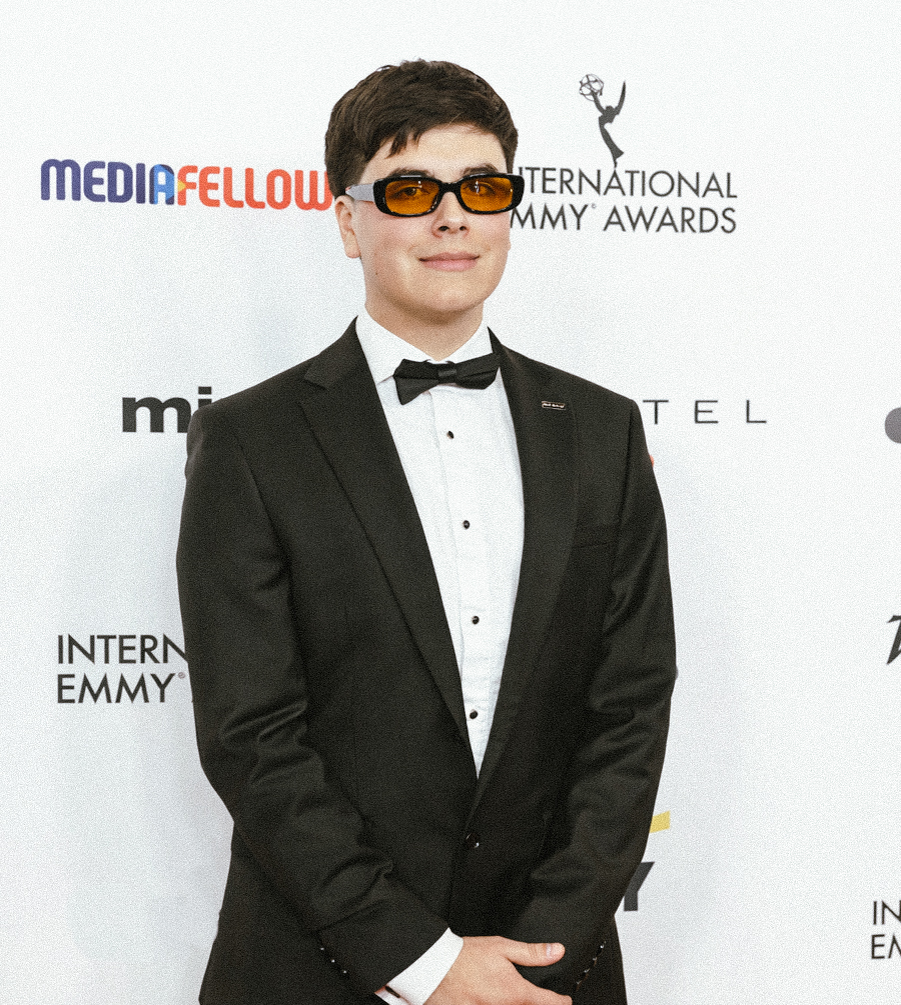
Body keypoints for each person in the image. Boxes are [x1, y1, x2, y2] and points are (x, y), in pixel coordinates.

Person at [177, 59, 676, 1005]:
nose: (453, 217)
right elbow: (252, 734)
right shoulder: (251, 440)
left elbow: (630, 706)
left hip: (547, 972)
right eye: (410, 190)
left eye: (481, 188)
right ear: (347, 220)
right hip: (315, 966)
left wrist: (542, 950)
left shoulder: (601, 431)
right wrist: (423, 960)